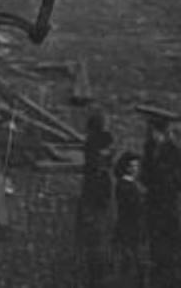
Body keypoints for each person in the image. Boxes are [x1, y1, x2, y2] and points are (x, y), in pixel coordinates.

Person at [139, 106, 181, 288]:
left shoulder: (173, 150)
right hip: (153, 204)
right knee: (155, 245)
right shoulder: (149, 147)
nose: (149, 134)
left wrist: (166, 185)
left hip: (167, 206)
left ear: (158, 131)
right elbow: (144, 174)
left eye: (151, 130)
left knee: (170, 246)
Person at [75, 109, 114, 287]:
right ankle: (96, 275)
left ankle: (95, 275)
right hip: (96, 198)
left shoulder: (93, 144)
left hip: (95, 197)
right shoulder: (96, 146)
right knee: (97, 237)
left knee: (95, 237)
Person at [112, 150, 146, 287]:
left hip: (130, 226)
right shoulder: (125, 185)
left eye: (136, 166)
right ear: (125, 168)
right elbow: (133, 208)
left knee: (133, 259)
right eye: (132, 166)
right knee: (132, 259)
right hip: (129, 226)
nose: (135, 169)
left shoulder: (129, 185)